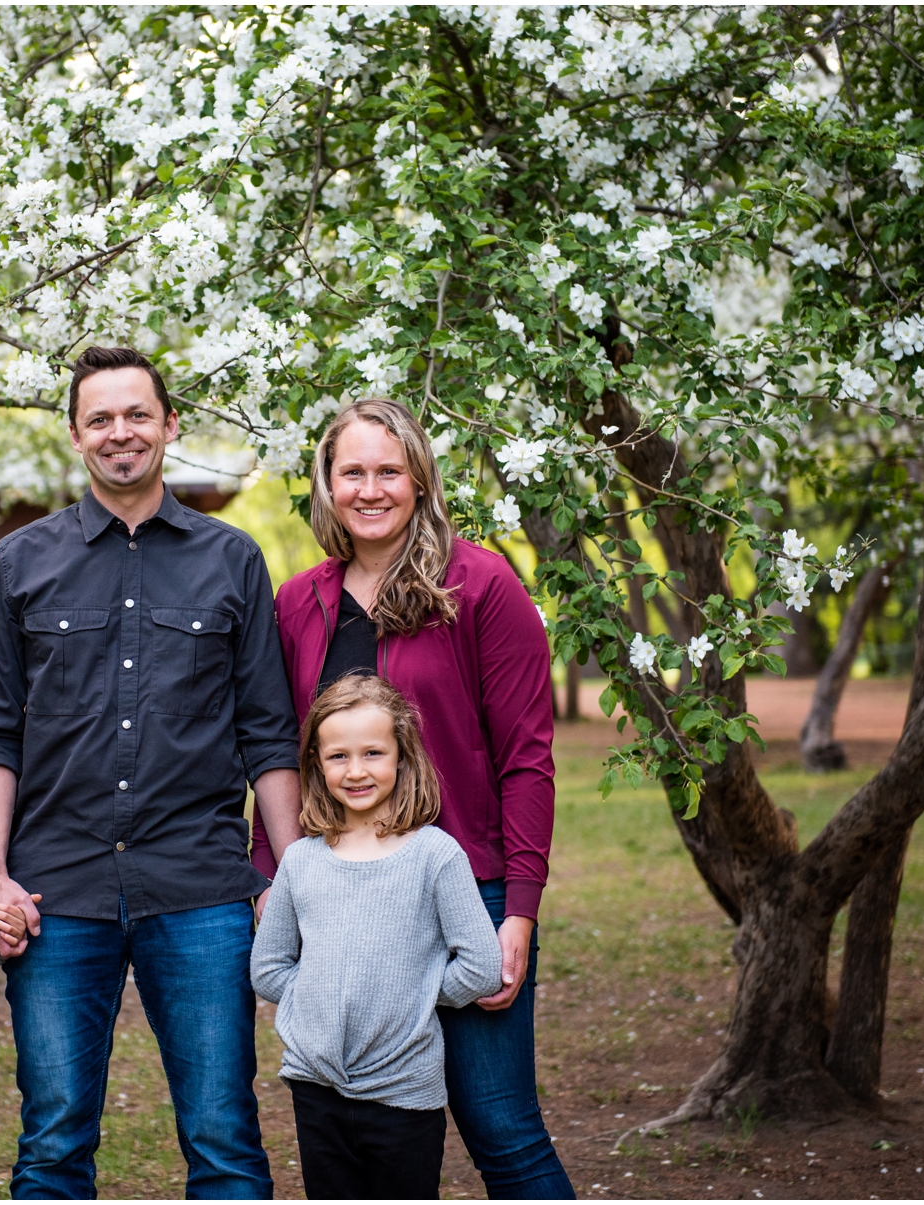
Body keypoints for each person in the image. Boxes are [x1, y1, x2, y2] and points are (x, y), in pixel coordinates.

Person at [0, 346, 303, 1199]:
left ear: (170, 424)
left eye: (138, 415)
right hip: (56, 891)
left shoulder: (233, 560)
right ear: (76, 435)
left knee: (225, 1137)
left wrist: (293, 877)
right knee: (52, 1144)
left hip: (199, 886)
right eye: (102, 419)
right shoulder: (17, 564)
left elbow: (268, 734)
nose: (122, 433)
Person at [250, 395, 576, 1198]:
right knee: (354, 1123)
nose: (370, 488)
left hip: (468, 887)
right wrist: (276, 874)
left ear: (419, 479)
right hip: (348, 896)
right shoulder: (300, 603)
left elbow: (528, 758)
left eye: (388, 470)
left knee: (499, 1123)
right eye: (351, 471)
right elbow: (279, 748)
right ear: (326, 484)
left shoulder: (480, 584)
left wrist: (519, 912)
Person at [251, 675, 502, 1199]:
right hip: (315, 1085)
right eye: (338, 756)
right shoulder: (300, 861)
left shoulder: (435, 856)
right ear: (317, 764)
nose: (357, 770)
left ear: (401, 758)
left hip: (404, 1091)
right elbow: (269, 969)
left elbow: (479, 964)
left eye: (372, 752)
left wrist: (406, 995)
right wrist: (319, 996)